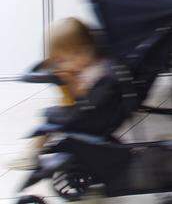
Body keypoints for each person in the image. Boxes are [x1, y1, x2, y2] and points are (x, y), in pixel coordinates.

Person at [9, 18, 110, 170]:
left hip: (90, 112)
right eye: (63, 59)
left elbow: (84, 95)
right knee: (52, 117)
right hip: (83, 109)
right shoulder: (84, 67)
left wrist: (70, 81)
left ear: (90, 49)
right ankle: (32, 151)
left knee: (50, 121)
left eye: (77, 54)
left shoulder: (95, 70)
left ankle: (31, 154)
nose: (72, 62)